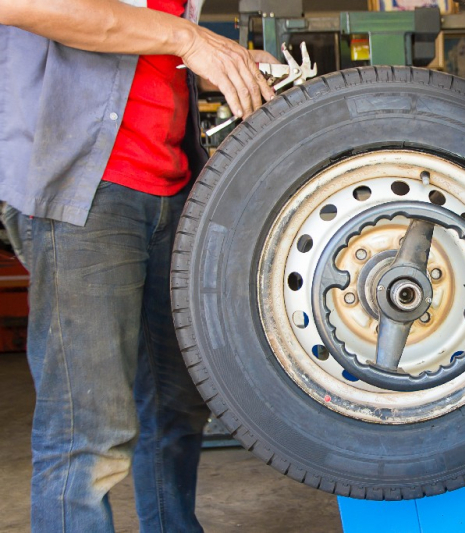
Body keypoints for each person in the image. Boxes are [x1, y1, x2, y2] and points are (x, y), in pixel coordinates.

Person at [0, 1, 277, 531]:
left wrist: (230, 63)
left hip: (173, 188)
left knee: (177, 410)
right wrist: (190, 41)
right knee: (88, 430)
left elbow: (152, 52)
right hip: (86, 190)